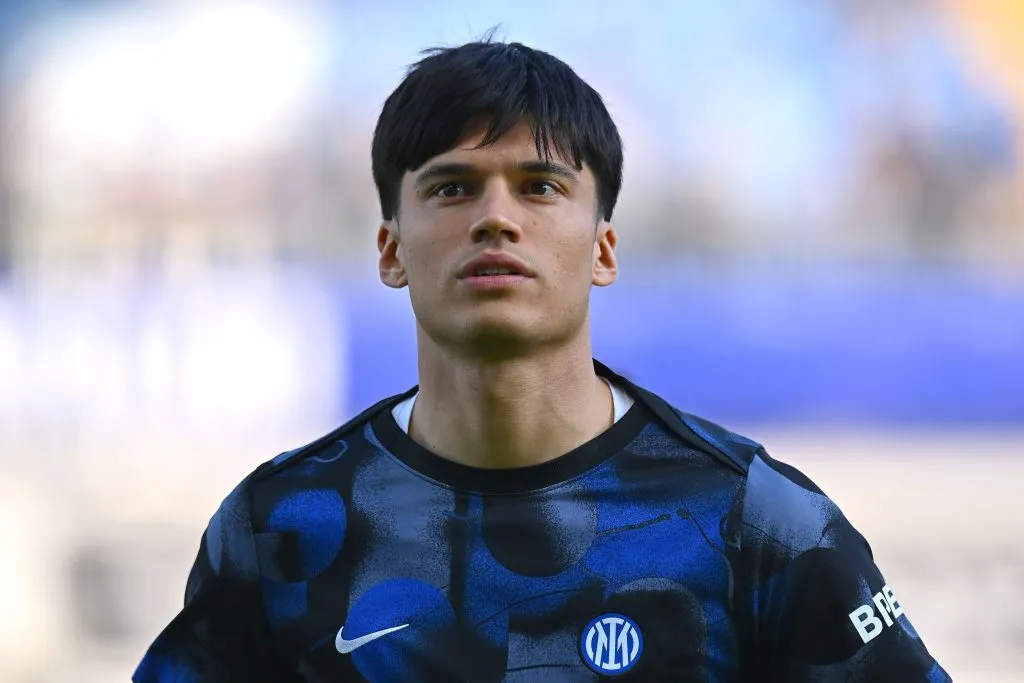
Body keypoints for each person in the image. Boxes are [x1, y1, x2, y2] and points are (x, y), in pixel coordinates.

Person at [134, 39, 951, 682]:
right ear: (390, 249)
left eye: (540, 186)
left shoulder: (757, 522)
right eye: (452, 188)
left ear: (603, 248)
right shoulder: (278, 527)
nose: (496, 218)